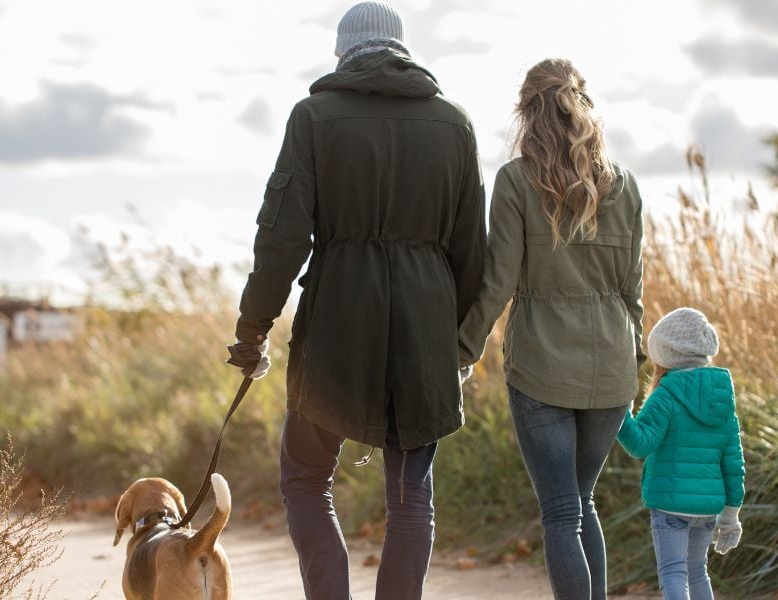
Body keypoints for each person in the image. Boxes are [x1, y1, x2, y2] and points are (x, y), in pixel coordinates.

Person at [225, 3, 486, 599]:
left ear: (343, 51)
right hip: (424, 329)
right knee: (409, 498)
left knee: (306, 478)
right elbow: (475, 249)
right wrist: (457, 344)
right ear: (403, 48)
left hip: (338, 322)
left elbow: (283, 236)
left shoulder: (314, 117)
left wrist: (253, 330)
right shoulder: (454, 123)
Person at [457, 58, 645, 600]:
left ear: (526, 112)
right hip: (612, 367)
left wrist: (462, 351)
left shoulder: (516, 180)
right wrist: (631, 365)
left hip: (541, 366)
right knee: (581, 504)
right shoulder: (625, 184)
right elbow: (633, 291)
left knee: (563, 512)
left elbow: (498, 281)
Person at [616, 307, 745, 600]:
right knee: (698, 572)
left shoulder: (667, 393)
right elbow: (733, 461)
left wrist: (620, 412)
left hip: (670, 505)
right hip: (709, 508)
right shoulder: (722, 396)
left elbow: (639, 445)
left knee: (674, 573)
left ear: (665, 355)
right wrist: (731, 515)